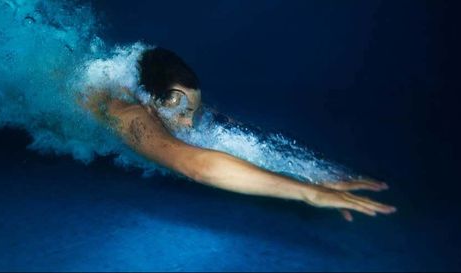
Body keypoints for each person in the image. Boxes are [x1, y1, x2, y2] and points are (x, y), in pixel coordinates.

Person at [81, 47, 396, 222]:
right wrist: (307, 192)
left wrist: (313, 174)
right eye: (183, 112)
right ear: (150, 100)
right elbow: (196, 165)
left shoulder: (160, 101)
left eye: (193, 112)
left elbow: (232, 140)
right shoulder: (129, 116)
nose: (188, 124)